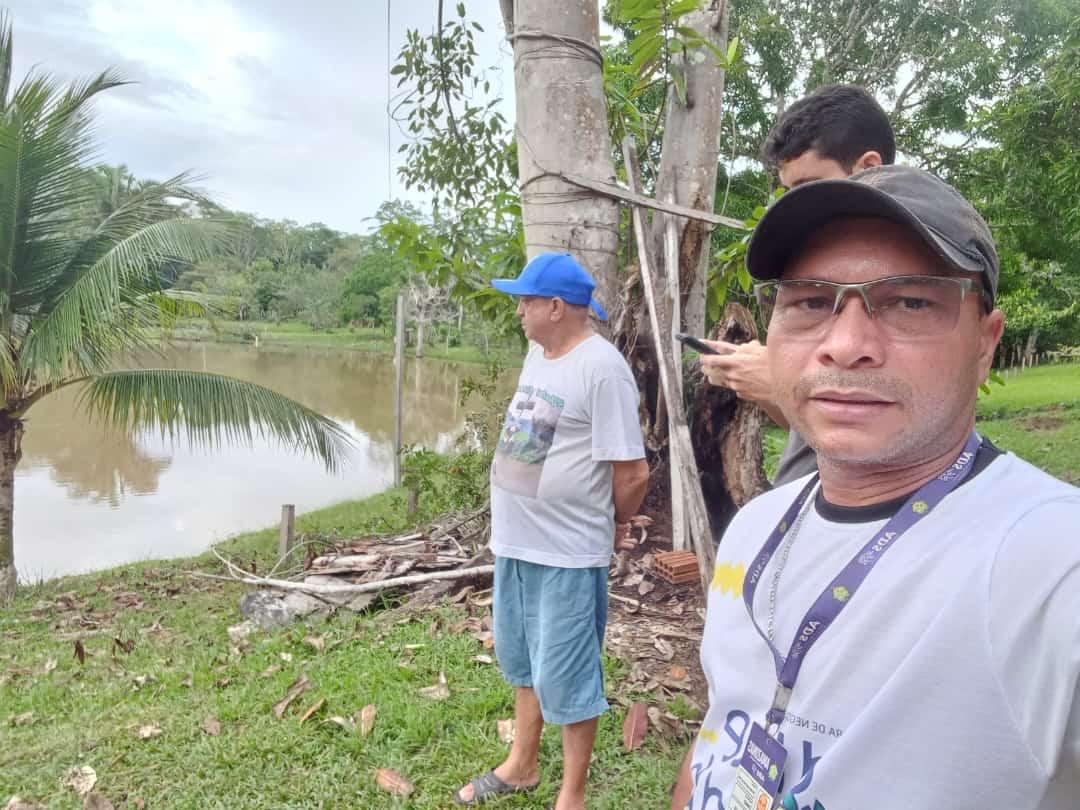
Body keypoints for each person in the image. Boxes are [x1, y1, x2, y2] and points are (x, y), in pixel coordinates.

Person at [671, 165, 1080, 809]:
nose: (845, 345)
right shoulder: (754, 528)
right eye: (811, 302)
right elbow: (721, 730)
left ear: (985, 344)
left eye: (910, 302)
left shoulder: (1051, 566)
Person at [456, 252, 649, 810]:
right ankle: (522, 764)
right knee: (523, 662)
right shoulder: (538, 355)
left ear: (557, 307)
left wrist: (614, 524)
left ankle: (572, 795)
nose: (519, 311)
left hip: (566, 552)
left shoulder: (602, 369)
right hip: (517, 543)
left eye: (527, 301)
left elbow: (633, 472)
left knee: (568, 673)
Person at [699, 84, 896, 486]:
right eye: (788, 192)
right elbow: (806, 431)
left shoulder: (914, 280)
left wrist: (779, 382)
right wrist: (764, 386)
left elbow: (899, 432)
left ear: (869, 168)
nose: (793, 205)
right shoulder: (807, 270)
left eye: (807, 187)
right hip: (806, 499)